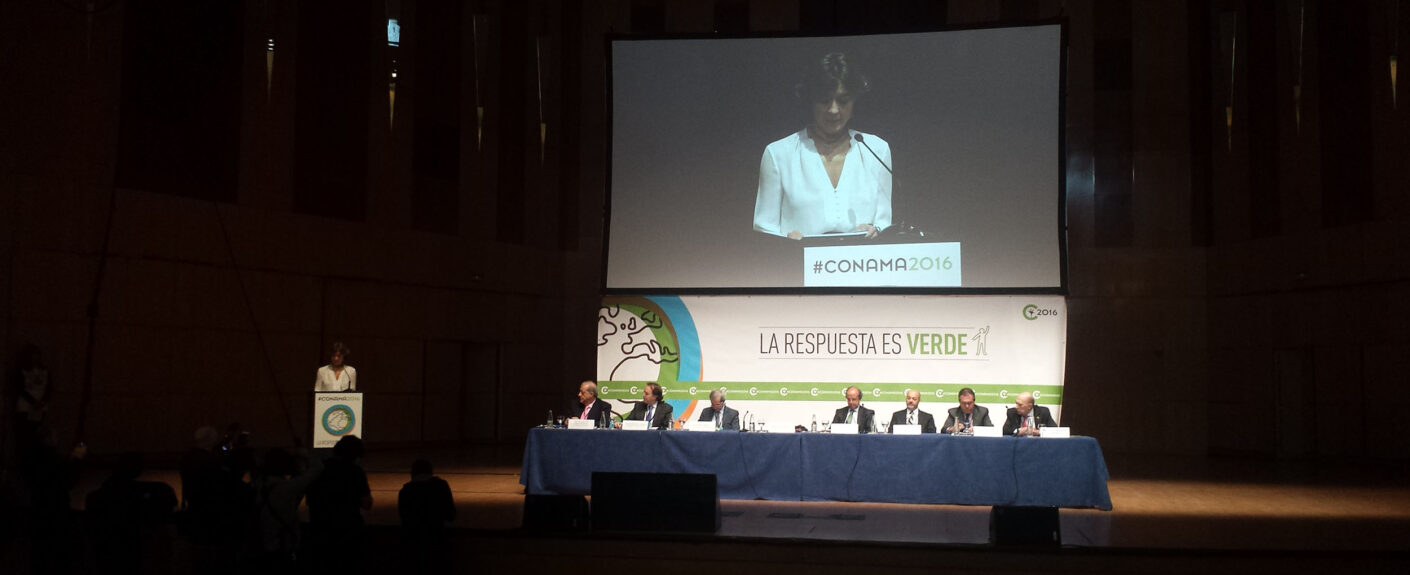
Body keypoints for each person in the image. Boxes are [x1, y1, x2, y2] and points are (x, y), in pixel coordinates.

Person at [754, 52, 892, 240]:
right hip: (794, 258)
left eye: (843, 101)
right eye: (825, 100)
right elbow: (764, 230)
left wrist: (876, 230)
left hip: (862, 258)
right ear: (810, 100)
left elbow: (885, 224)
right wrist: (786, 242)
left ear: (854, 101)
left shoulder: (876, 150)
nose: (833, 110)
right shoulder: (778, 154)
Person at [306, 435, 372, 574]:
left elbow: (309, 499)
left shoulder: (319, 469)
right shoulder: (355, 471)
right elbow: (367, 504)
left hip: (320, 528)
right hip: (348, 530)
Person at [254, 447, 323, 574]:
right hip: (284, 547)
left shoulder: (258, 486)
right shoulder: (288, 488)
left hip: (262, 546)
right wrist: (303, 452)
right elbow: (317, 468)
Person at [398, 459, 456, 574]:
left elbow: (404, 519)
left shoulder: (405, 491)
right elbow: (451, 515)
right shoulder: (441, 486)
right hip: (437, 540)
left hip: (414, 545)